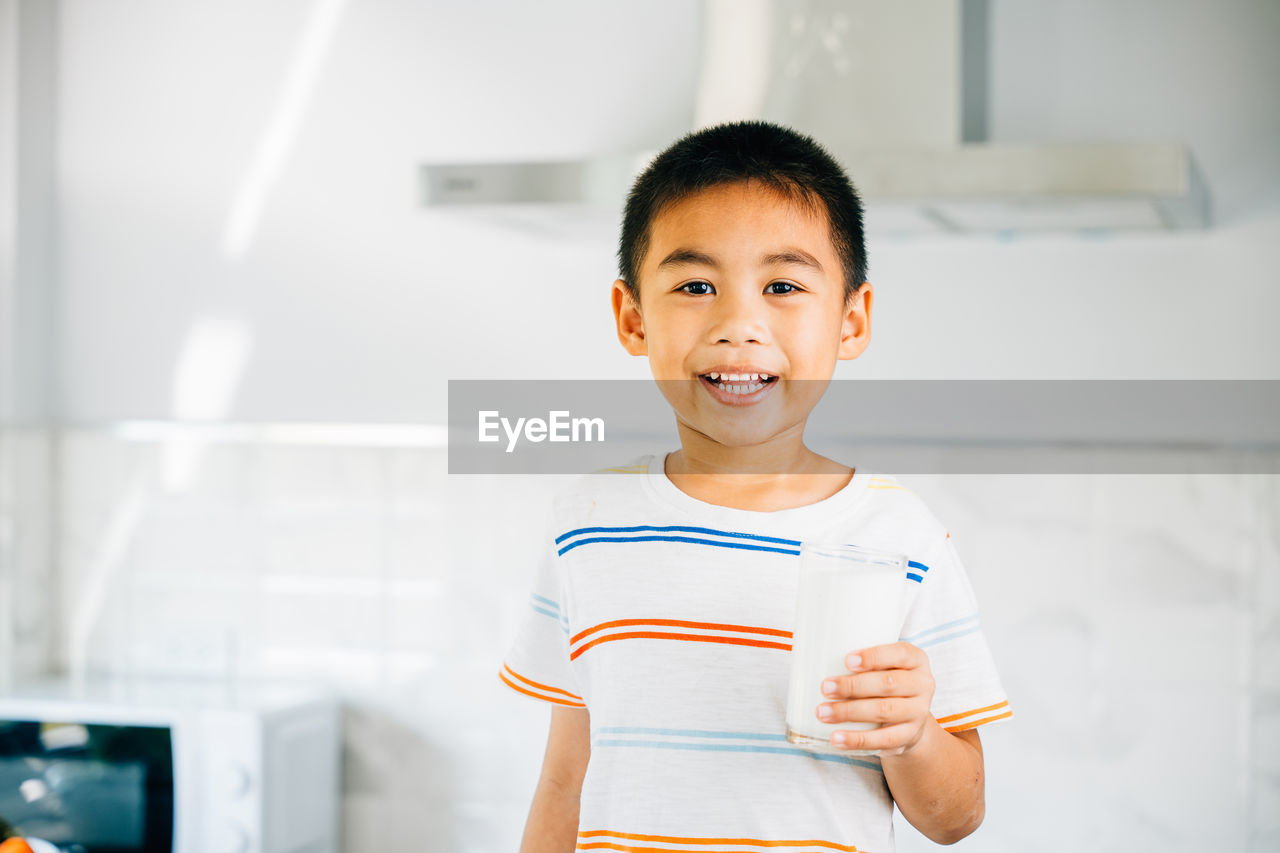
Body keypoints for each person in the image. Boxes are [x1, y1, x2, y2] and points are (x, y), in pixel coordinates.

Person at [499, 120, 1012, 852]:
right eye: (696, 284)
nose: (740, 323)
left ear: (852, 320)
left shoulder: (899, 538)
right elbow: (563, 779)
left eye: (783, 285)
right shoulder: (585, 524)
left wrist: (912, 735)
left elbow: (956, 815)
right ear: (632, 317)